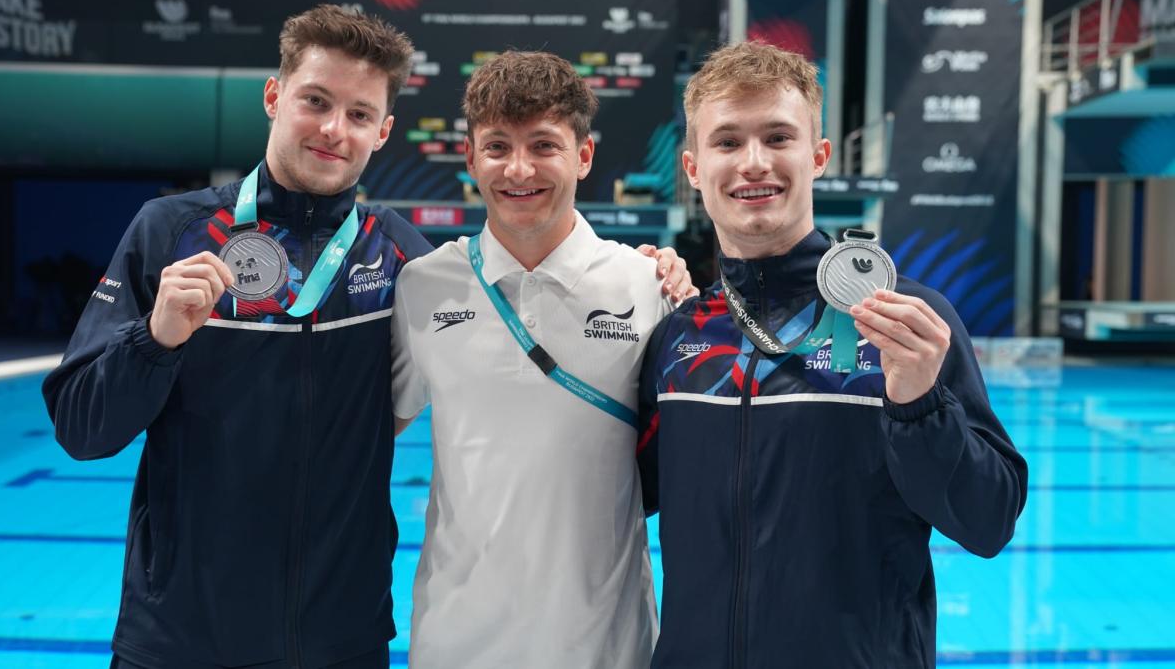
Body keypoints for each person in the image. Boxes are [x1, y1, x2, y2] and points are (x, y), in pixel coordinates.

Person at [41, 6, 428, 669]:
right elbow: (82, 427)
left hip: (339, 640)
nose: (335, 129)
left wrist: (662, 280)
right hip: (180, 637)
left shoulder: (400, 258)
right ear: (274, 96)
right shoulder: (170, 232)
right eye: (316, 101)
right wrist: (155, 339)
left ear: (384, 131)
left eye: (359, 114)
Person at [635, 41, 1028, 668]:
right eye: (728, 142)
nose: (753, 163)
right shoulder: (679, 335)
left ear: (818, 157)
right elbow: (617, 498)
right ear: (692, 166)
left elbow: (988, 522)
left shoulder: (902, 322)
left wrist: (920, 402)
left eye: (778, 137)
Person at [390, 51, 687, 668]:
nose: (518, 168)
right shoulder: (422, 287)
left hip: (606, 646)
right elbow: (356, 438)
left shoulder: (647, 286)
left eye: (544, 145)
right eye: (497, 146)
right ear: (470, 158)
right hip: (456, 643)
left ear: (583, 154)